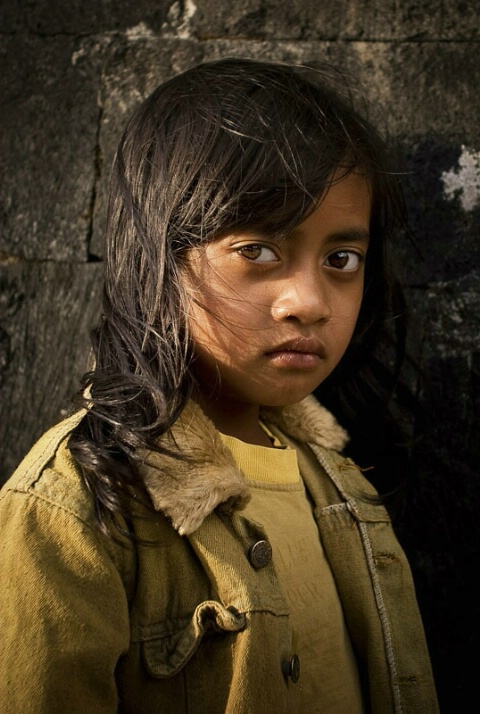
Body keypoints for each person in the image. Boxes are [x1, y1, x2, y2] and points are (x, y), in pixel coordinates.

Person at [0, 58, 438, 713]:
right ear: (160, 255)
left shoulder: (343, 481)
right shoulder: (75, 508)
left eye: (341, 259)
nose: (309, 301)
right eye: (258, 250)